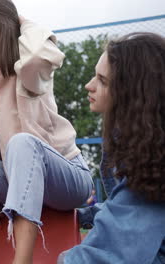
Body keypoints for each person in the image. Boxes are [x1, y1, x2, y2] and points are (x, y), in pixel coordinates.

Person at [0, 0, 93, 263]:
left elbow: (36, 54)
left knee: (22, 143)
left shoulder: (28, 70)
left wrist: (17, 21)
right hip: (16, 180)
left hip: (65, 175)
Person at [58, 32, 165, 263]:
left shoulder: (152, 160)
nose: (89, 86)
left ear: (134, 94)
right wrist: (83, 215)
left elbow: (112, 254)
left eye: (102, 80)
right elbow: (130, 209)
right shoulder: (143, 141)